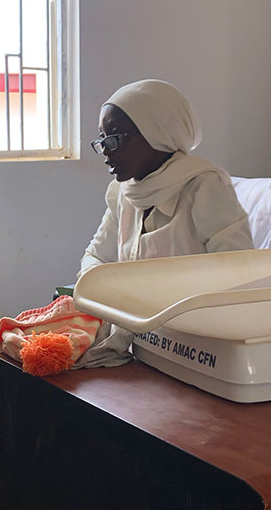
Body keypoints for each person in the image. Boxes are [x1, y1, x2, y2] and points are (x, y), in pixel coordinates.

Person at [77, 79, 254, 366]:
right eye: (102, 139)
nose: (106, 149)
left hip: (194, 345)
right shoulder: (124, 193)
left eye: (115, 137)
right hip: (139, 342)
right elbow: (96, 257)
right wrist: (110, 293)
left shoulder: (204, 187)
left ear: (156, 131)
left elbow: (240, 273)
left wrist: (136, 295)